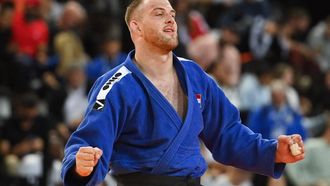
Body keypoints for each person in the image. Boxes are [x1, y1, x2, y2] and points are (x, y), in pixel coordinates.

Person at [61, 0, 305, 185]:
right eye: (159, 14)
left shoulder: (195, 75)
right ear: (136, 28)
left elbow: (227, 133)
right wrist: (80, 167)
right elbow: (88, 143)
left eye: (172, 14)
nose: (170, 19)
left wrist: (272, 151)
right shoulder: (115, 85)